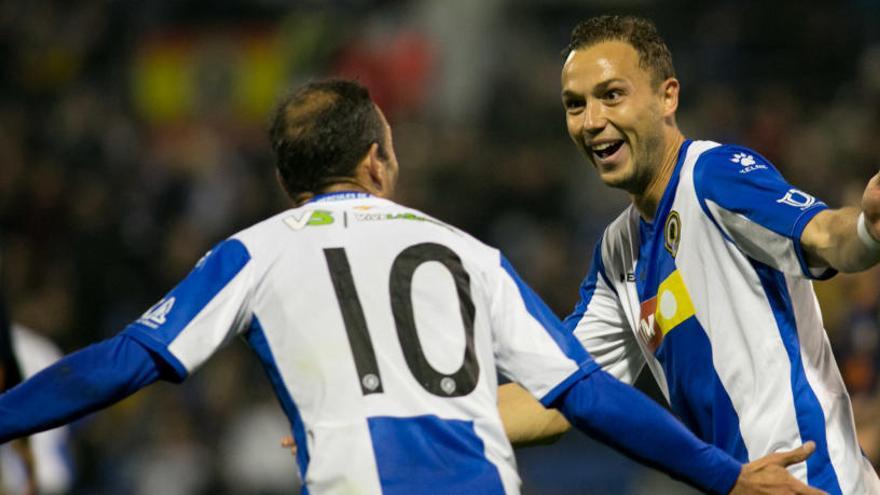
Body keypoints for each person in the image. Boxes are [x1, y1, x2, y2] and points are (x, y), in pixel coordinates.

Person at [0, 79, 821, 495]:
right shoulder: (468, 252)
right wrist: (725, 473)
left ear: (291, 181)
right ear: (378, 161)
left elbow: (122, 361)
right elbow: (586, 394)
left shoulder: (252, 253)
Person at [498, 15, 880, 494]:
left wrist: (868, 229)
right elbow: (558, 391)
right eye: (576, 105)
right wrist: (427, 411)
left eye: (612, 95)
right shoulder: (618, 255)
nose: (592, 121)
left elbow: (825, 233)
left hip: (815, 482)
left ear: (667, 97)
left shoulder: (712, 175)